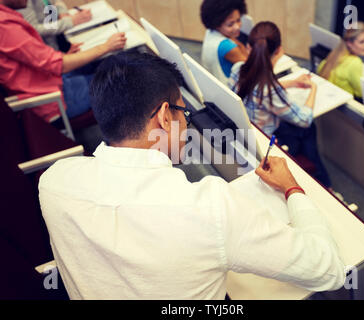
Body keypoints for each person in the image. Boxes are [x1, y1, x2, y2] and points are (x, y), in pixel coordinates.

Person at [38, 51, 346, 299]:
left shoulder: (54, 182)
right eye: (184, 114)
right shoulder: (210, 208)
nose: (186, 126)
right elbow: (328, 269)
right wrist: (292, 189)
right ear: (163, 116)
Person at [229, 21, 332, 188]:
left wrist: (291, 83)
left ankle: (318, 178)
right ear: (279, 51)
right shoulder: (270, 90)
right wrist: (313, 88)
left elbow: (255, 88)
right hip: (268, 142)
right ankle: (323, 182)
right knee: (308, 128)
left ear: (248, 47)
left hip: (248, 132)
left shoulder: (238, 69)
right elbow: (304, 118)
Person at [0, 0, 126, 123]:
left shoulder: (8, 12)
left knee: (110, 69)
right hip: (51, 97)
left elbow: (52, 7)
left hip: (52, 72)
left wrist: (62, 15)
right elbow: (40, 28)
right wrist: (70, 22)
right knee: (122, 81)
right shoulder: (5, 24)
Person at [318, 22, 364, 100]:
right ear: (349, 43)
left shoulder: (333, 55)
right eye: (362, 42)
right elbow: (360, 93)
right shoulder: (355, 62)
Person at [200, 0, 249, 84]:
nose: (237, 27)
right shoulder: (227, 47)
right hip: (229, 89)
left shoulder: (210, 32)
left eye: (238, 20)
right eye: (230, 24)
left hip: (213, 82)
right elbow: (252, 68)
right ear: (217, 25)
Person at [18, 0, 92, 52]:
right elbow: (34, 29)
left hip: (62, 37)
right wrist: (72, 21)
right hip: (50, 51)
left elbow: (57, 2)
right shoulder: (19, 2)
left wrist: (63, 12)